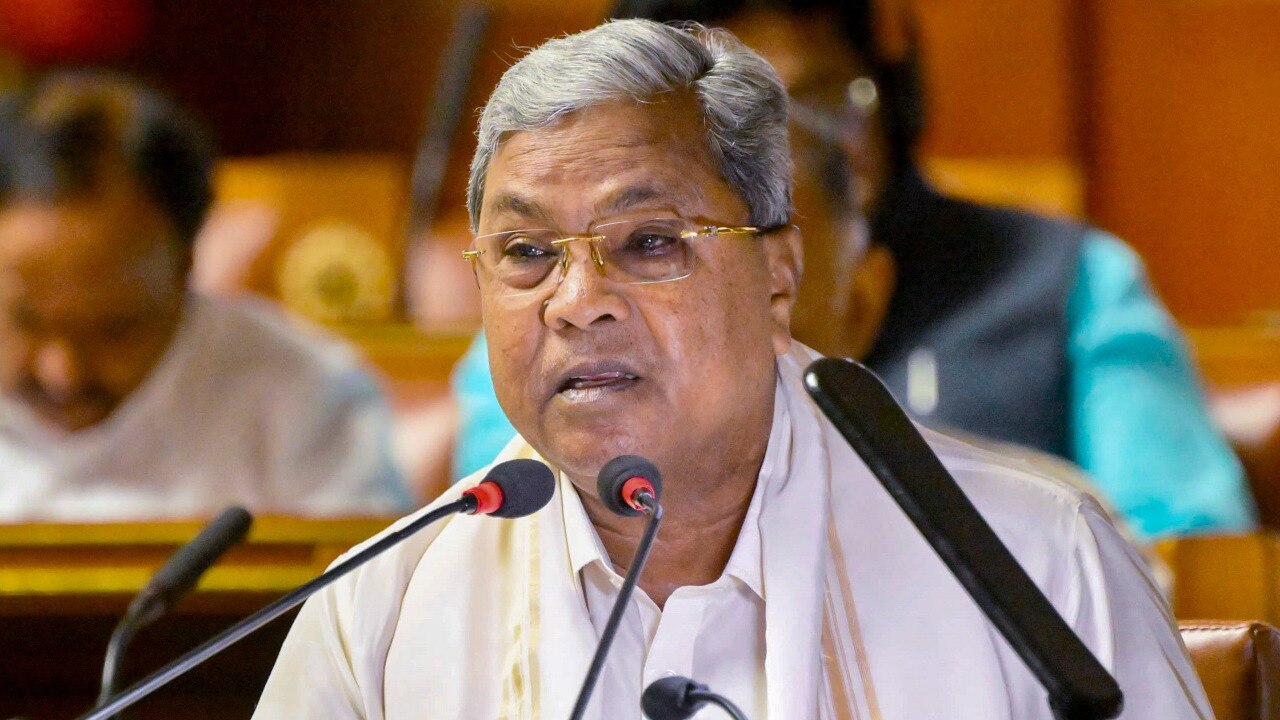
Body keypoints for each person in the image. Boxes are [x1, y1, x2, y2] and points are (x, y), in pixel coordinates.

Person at [255, 21, 1208, 717]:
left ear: (779, 272)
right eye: (526, 253)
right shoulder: (379, 609)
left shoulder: (1036, 565)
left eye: (650, 241)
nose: (576, 300)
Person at [449, 0, 1256, 540]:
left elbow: (1187, 560)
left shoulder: (1065, 279)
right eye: (724, 117)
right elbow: (522, 529)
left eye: (818, 102)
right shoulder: (566, 308)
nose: (775, 152)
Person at [0, 72, 413, 521]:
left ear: (186, 265)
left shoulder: (309, 397)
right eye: (26, 321)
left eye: (114, 329)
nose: (62, 372)